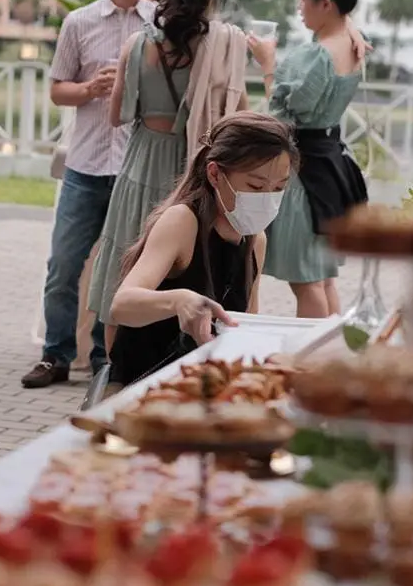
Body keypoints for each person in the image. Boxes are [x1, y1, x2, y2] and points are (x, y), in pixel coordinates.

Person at [22, 0, 164, 389]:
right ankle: (55, 355)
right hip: (84, 168)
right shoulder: (78, 22)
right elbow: (58, 91)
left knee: (121, 272)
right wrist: (89, 89)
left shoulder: (161, 28)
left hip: (134, 172)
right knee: (63, 266)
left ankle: (108, 359)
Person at [87, 0, 248, 355]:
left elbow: (118, 116)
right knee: (188, 273)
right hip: (193, 174)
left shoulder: (137, 46)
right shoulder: (227, 47)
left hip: (140, 171)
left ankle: (114, 379)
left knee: (123, 282)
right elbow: (238, 118)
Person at [105, 111, 297, 389]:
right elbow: (122, 305)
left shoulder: (256, 239)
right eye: (255, 186)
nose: (266, 199)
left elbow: (244, 324)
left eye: (279, 188)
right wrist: (179, 301)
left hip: (203, 386)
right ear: (215, 174)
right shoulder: (182, 220)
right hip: (146, 386)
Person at [248, 0, 369, 319]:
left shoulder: (316, 55)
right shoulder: (352, 44)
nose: (300, 6)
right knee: (323, 278)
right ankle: (332, 355)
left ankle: (310, 363)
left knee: (306, 282)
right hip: (332, 167)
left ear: (326, 3)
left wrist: (267, 65)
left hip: (305, 174)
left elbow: (282, 115)